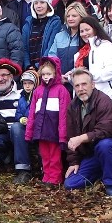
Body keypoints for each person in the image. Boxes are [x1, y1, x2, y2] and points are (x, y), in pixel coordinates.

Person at [63, 68, 112, 197]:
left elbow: (106, 130)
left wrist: (82, 138)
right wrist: (74, 162)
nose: (81, 88)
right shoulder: (72, 106)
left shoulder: (103, 101)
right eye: (77, 85)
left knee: (105, 145)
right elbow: (71, 137)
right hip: (91, 154)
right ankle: (103, 172)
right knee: (70, 183)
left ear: (92, 85)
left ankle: (111, 186)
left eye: (84, 84)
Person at [74, 17, 112, 135]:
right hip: (86, 96)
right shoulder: (81, 52)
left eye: (87, 30)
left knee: (106, 130)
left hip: (106, 95)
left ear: (95, 29)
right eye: (81, 31)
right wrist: (70, 77)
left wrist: (88, 77)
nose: (84, 33)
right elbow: (80, 72)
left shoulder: (106, 46)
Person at [25, 57, 71, 185]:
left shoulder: (61, 90)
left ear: (55, 73)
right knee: (45, 155)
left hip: (54, 131)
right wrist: (30, 132)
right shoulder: (37, 91)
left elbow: (64, 115)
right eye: (43, 74)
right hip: (41, 130)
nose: (46, 77)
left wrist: (63, 135)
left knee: (55, 156)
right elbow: (32, 113)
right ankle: (46, 177)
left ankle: (55, 178)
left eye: (49, 74)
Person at [47, 2, 88, 80]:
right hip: (59, 79)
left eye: (74, 16)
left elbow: (85, 61)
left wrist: (70, 75)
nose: (70, 18)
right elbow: (52, 56)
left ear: (82, 17)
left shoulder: (85, 36)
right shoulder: (59, 36)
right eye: (68, 16)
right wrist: (57, 74)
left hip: (79, 79)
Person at [22, 0, 61, 70]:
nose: (39, 6)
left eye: (42, 2)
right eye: (36, 3)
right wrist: (28, 65)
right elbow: (24, 47)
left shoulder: (55, 22)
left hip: (46, 66)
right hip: (30, 68)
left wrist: (39, 65)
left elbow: (50, 45)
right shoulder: (28, 23)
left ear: (48, 5)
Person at [13, 69, 39, 184]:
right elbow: (18, 113)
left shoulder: (39, 96)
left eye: (30, 83)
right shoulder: (22, 98)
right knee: (16, 127)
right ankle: (22, 169)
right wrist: (21, 119)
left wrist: (32, 120)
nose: (27, 86)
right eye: (25, 83)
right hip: (25, 127)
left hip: (37, 128)